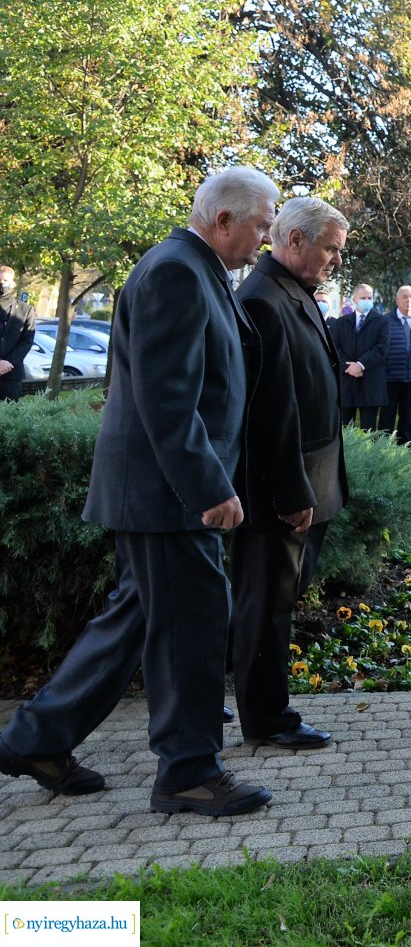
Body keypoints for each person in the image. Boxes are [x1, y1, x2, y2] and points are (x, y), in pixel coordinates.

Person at [0, 167, 276, 816]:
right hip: (168, 496)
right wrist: (209, 486)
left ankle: (36, 739)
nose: (266, 238)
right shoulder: (177, 271)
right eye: (262, 225)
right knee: (192, 625)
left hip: (162, 493)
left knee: (133, 623)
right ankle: (188, 773)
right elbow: (166, 396)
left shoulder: (195, 267)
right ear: (225, 219)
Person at [232, 196, 350, 752]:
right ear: (295, 240)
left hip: (311, 479)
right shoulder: (262, 299)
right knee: (267, 606)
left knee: (279, 601)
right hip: (288, 488)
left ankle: (260, 706)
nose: (334, 260)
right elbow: (269, 409)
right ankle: (265, 717)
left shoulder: (289, 291)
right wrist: (291, 490)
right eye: (330, 248)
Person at [332, 283, 389, 430]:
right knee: (344, 426)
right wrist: (348, 366)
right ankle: (346, 454)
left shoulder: (382, 321)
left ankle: (367, 453)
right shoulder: (342, 322)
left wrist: (361, 364)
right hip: (347, 380)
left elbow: (382, 348)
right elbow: (334, 348)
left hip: (370, 380)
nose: (366, 300)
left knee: (368, 429)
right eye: (363, 297)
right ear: (355, 299)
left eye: (369, 297)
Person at [380, 285, 411, 443]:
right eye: (404, 297)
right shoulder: (385, 321)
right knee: (387, 416)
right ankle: (383, 449)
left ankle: (405, 450)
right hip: (389, 377)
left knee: (407, 417)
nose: (408, 300)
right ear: (397, 299)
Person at [0, 264, 32, 402]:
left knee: (9, 420)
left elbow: (27, 341)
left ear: (12, 283)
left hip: (11, 374)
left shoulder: (26, 310)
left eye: (5, 281)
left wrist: (7, 363)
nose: (2, 284)